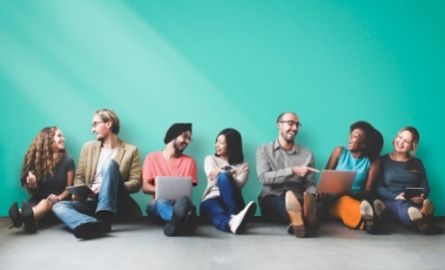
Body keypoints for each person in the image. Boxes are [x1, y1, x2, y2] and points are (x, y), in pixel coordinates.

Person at [52, 109, 142, 239]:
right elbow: (79, 177)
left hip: (118, 203)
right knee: (59, 206)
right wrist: (83, 191)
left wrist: (107, 186)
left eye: (95, 124)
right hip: (92, 201)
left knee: (109, 164)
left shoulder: (131, 150)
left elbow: (136, 183)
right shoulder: (88, 148)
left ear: (108, 124)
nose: (92, 129)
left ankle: (104, 217)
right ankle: (90, 224)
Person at [256, 112, 318, 238]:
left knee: (313, 203)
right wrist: (292, 171)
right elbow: (263, 177)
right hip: (272, 196)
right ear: (279, 125)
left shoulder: (307, 153)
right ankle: (305, 220)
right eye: (290, 123)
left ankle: (298, 222)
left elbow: (309, 184)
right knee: (284, 204)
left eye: (297, 125)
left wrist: (312, 194)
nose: (295, 128)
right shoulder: (264, 150)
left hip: (299, 197)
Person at [376, 126, 443, 234]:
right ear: (396, 138)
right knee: (402, 206)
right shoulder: (383, 160)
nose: (401, 142)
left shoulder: (417, 162)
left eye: (406, 141)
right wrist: (395, 196)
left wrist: (421, 196)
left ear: (412, 146)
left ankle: (420, 215)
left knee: (412, 206)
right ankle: (422, 217)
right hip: (391, 200)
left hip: (411, 200)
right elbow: (378, 187)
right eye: (400, 137)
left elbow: (425, 187)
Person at [8, 127, 75, 233]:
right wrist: (33, 184)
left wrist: (58, 197)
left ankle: (21, 216)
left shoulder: (68, 160)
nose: (63, 138)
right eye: (59, 136)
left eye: (62, 136)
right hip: (36, 201)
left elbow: (69, 188)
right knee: (37, 204)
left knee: (45, 203)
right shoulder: (36, 162)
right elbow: (34, 192)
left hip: (58, 202)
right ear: (48, 139)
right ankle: (28, 218)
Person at [323, 121, 383, 234]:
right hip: (331, 198)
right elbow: (325, 177)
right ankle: (374, 218)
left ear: (364, 143)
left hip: (354, 197)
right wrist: (322, 191)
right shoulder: (339, 152)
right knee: (344, 203)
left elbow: (368, 191)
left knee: (348, 203)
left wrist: (349, 193)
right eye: (350, 135)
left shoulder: (373, 162)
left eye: (355, 136)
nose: (350, 138)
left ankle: (371, 221)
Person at [142, 123, 198, 236]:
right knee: (162, 201)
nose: (187, 142)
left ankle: (174, 223)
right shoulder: (152, 158)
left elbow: (186, 192)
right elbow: (145, 187)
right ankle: (180, 220)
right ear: (173, 136)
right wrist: (163, 192)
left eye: (189, 139)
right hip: (158, 205)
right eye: (185, 137)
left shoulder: (190, 162)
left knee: (184, 202)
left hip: (181, 204)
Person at [200, 128, 256, 234]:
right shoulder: (210, 159)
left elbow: (239, 185)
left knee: (224, 177)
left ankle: (233, 216)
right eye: (216, 141)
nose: (217, 145)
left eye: (221, 143)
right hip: (212, 198)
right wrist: (227, 171)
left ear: (231, 145)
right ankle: (233, 221)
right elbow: (213, 178)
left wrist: (223, 171)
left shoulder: (243, 165)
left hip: (233, 200)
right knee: (217, 212)